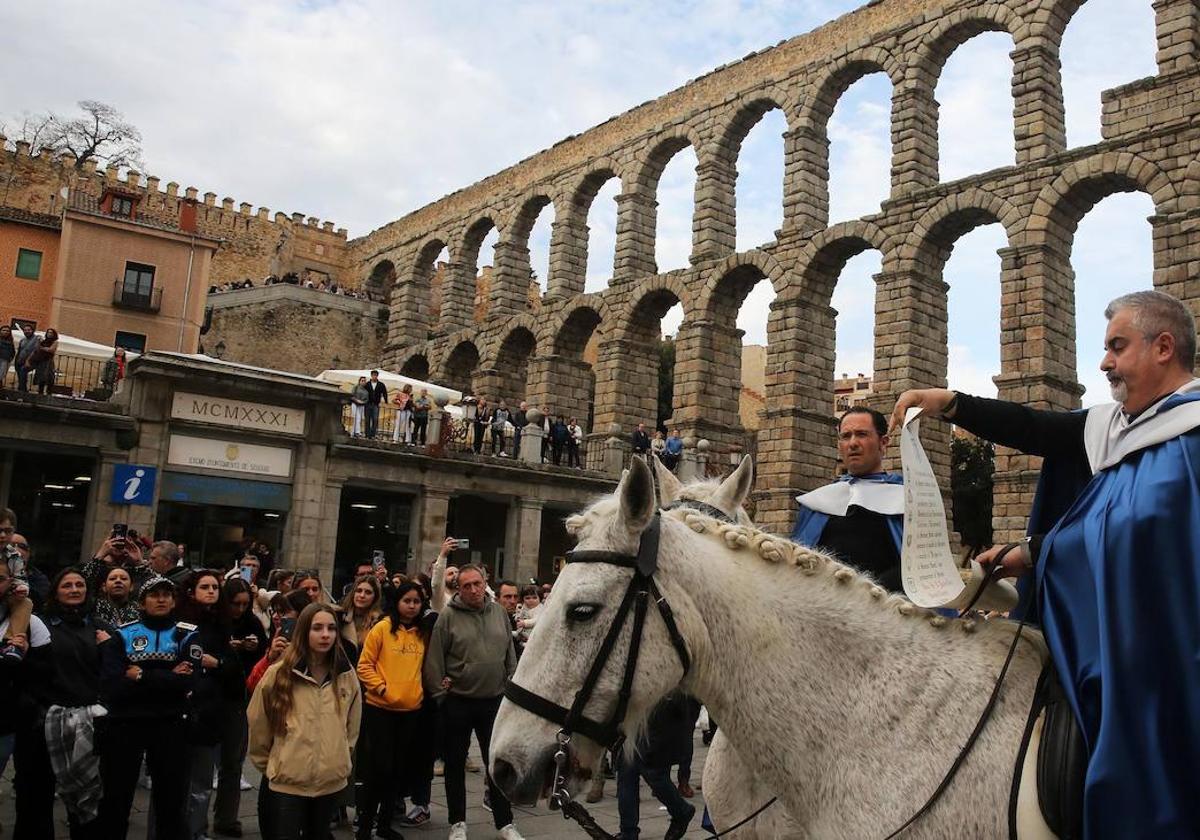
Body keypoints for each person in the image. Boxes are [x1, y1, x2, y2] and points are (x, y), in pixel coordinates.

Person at [889, 289, 1200, 838]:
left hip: (1168, 661)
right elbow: (1037, 430)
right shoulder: (1117, 430)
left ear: (1164, 347)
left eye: (1117, 347)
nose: (1104, 363)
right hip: (1111, 649)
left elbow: (1143, 541)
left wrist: (1038, 551)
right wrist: (948, 402)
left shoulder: (1191, 438)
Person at [423, 564, 523, 840]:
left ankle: (505, 823)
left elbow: (509, 654)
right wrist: (441, 695)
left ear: (484, 582)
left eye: (477, 583)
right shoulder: (447, 617)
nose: (473, 589)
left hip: (494, 701)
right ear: (458, 588)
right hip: (458, 701)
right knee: (455, 763)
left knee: (496, 765)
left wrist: (510, 685)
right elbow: (435, 659)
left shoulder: (500, 613)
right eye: (466, 585)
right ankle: (457, 822)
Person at [247, 602, 362, 839]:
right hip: (288, 779)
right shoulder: (279, 674)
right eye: (317, 628)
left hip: (329, 779)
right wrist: (273, 763)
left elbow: (352, 724)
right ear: (303, 631)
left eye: (331, 628)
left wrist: (340, 756)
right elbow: (259, 722)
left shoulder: (345, 674)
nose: (325, 635)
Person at [99, 576, 198, 839]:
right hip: (125, 724)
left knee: (171, 800)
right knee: (116, 797)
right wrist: (169, 677)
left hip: (171, 724)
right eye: (155, 595)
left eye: (167, 594)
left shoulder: (187, 634)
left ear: (174, 601)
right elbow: (112, 685)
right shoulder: (123, 634)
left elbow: (189, 680)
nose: (162, 599)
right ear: (142, 602)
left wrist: (141, 676)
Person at [354, 581, 437, 840]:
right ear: (397, 602)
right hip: (380, 709)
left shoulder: (423, 633)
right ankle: (365, 825)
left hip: (410, 709)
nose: (412, 606)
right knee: (378, 769)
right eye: (407, 601)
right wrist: (381, 689)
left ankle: (386, 824)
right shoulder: (381, 628)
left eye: (416, 602)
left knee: (397, 771)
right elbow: (364, 665)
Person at [791, 406, 904, 592]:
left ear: (883, 443)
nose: (852, 443)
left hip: (888, 609)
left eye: (861, 434)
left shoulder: (907, 500)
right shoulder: (819, 502)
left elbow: (917, 568)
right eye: (846, 436)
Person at [177, 570, 240, 840]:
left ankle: (197, 829)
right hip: (181, 706)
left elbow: (232, 667)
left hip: (209, 708)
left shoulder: (221, 624)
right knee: (175, 779)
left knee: (202, 778)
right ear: (192, 591)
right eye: (205, 587)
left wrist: (219, 664)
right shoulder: (178, 624)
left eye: (215, 587)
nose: (212, 591)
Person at [214, 578, 267, 838]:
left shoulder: (253, 623)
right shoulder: (216, 621)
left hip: (239, 696)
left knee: (232, 762)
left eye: (245, 605)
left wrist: (254, 648)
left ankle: (227, 817)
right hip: (213, 695)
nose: (240, 609)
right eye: (236, 604)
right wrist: (227, 647)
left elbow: (263, 656)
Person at [615, 692, 696, 840]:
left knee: (654, 773)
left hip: (665, 709)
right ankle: (628, 832)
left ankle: (682, 811)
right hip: (641, 710)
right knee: (627, 771)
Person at [28, 327, 58, 395]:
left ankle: (48, 392)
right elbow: (37, 348)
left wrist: (42, 348)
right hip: (41, 360)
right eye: (48, 332)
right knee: (41, 377)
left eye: (51, 333)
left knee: (49, 376)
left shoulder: (55, 341)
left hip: (48, 360)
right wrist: (39, 342)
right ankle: (40, 391)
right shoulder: (43, 341)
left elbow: (51, 349)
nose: (49, 334)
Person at [513, 585, 542, 655]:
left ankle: (528, 643)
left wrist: (525, 623)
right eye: (527, 598)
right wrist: (517, 617)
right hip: (523, 631)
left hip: (533, 632)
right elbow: (520, 615)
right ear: (523, 599)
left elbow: (537, 620)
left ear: (540, 599)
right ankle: (518, 634)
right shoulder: (524, 607)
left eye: (534, 598)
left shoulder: (539, 608)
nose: (531, 600)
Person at [14, 324, 38, 392]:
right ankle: (23, 390)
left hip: (31, 361)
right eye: (25, 330)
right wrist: (16, 361)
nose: (27, 331)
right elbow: (19, 351)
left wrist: (28, 360)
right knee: (21, 377)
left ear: (32, 330)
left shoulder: (37, 338)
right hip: (20, 361)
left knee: (23, 371)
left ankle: (21, 391)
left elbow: (36, 351)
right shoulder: (22, 340)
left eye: (29, 330)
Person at [365, 370, 388, 440]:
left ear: (377, 376)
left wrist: (386, 401)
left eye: (375, 375)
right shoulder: (367, 384)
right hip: (368, 403)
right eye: (373, 375)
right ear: (371, 376)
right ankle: (367, 434)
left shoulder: (381, 384)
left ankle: (373, 434)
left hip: (375, 404)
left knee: (375, 419)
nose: (374, 376)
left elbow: (385, 393)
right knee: (367, 419)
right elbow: (364, 392)